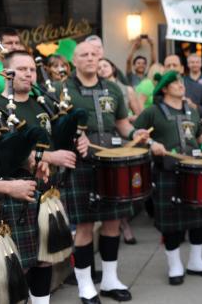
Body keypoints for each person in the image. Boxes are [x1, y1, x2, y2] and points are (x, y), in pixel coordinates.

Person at [0, 51, 89, 304]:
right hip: (14, 194)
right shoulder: (0, 108)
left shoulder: (42, 104)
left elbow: (55, 138)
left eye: (32, 69)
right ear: (6, 73)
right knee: (19, 263)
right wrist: (49, 157)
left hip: (47, 189)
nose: (28, 74)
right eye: (21, 69)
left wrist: (79, 137)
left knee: (44, 259)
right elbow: (5, 151)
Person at [61, 41, 150, 304]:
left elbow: (122, 124)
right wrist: (74, 138)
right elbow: (54, 129)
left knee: (112, 223)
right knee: (85, 227)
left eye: (94, 54)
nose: (90, 58)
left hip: (111, 164)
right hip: (80, 166)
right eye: (84, 55)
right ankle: (85, 284)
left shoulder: (112, 88)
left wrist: (136, 134)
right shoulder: (62, 90)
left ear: (100, 57)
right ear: (74, 61)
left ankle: (110, 280)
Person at [134, 70, 202, 285]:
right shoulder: (153, 112)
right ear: (165, 88)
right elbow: (136, 134)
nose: (181, 85)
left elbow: (199, 137)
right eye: (176, 83)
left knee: (200, 214)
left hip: (194, 170)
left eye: (181, 81)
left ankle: (196, 261)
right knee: (171, 222)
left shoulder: (191, 111)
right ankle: (174, 265)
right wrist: (152, 144)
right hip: (167, 172)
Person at [162, 54, 202, 248]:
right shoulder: (159, 103)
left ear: (182, 67)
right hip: (171, 166)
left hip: (195, 163)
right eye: (168, 65)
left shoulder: (194, 87)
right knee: (173, 215)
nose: (172, 68)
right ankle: (175, 256)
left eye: (175, 65)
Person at [98, 58, 143, 245]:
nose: (101, 69)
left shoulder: (125, 89)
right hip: (103, 141)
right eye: (99, 67)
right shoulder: (96, 89)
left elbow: (140, 113)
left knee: (121, 186)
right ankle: (118, 226)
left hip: (123, 139)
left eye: (105, 65)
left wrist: (128, 120)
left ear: (113, 68)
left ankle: (123, 225)